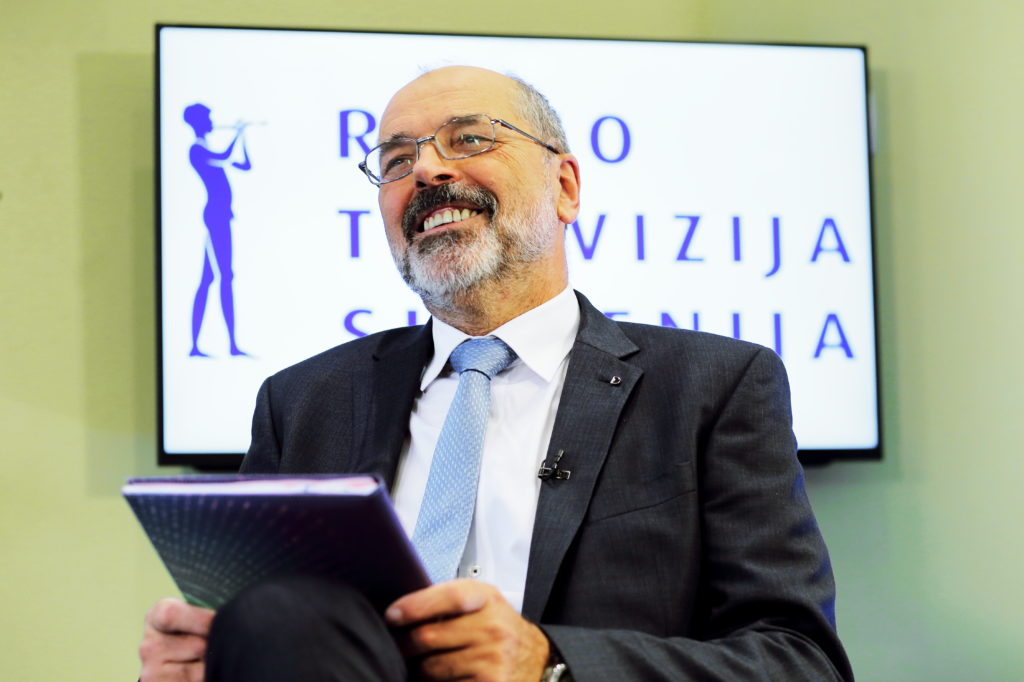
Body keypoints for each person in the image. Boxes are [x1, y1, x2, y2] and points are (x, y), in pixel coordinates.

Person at [140, 66, 853, 681]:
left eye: (470, 139)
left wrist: (550, 665)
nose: (427, 171)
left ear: (565, 186)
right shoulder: (303, 402)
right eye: (396, 160)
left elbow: (798, 662)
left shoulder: (713, 386)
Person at [182, 103, 251, 358]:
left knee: (209, 279)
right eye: (208, 117)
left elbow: (244, 165)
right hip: (215, 218)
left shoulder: (206, 148)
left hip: (222, 217)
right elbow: (225, 156)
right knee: (224, 276)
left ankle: (206, 344)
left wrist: (243, 137)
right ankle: (226, 344)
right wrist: (238, 133)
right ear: (198, 121)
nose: (212, 121)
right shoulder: (197, 149)